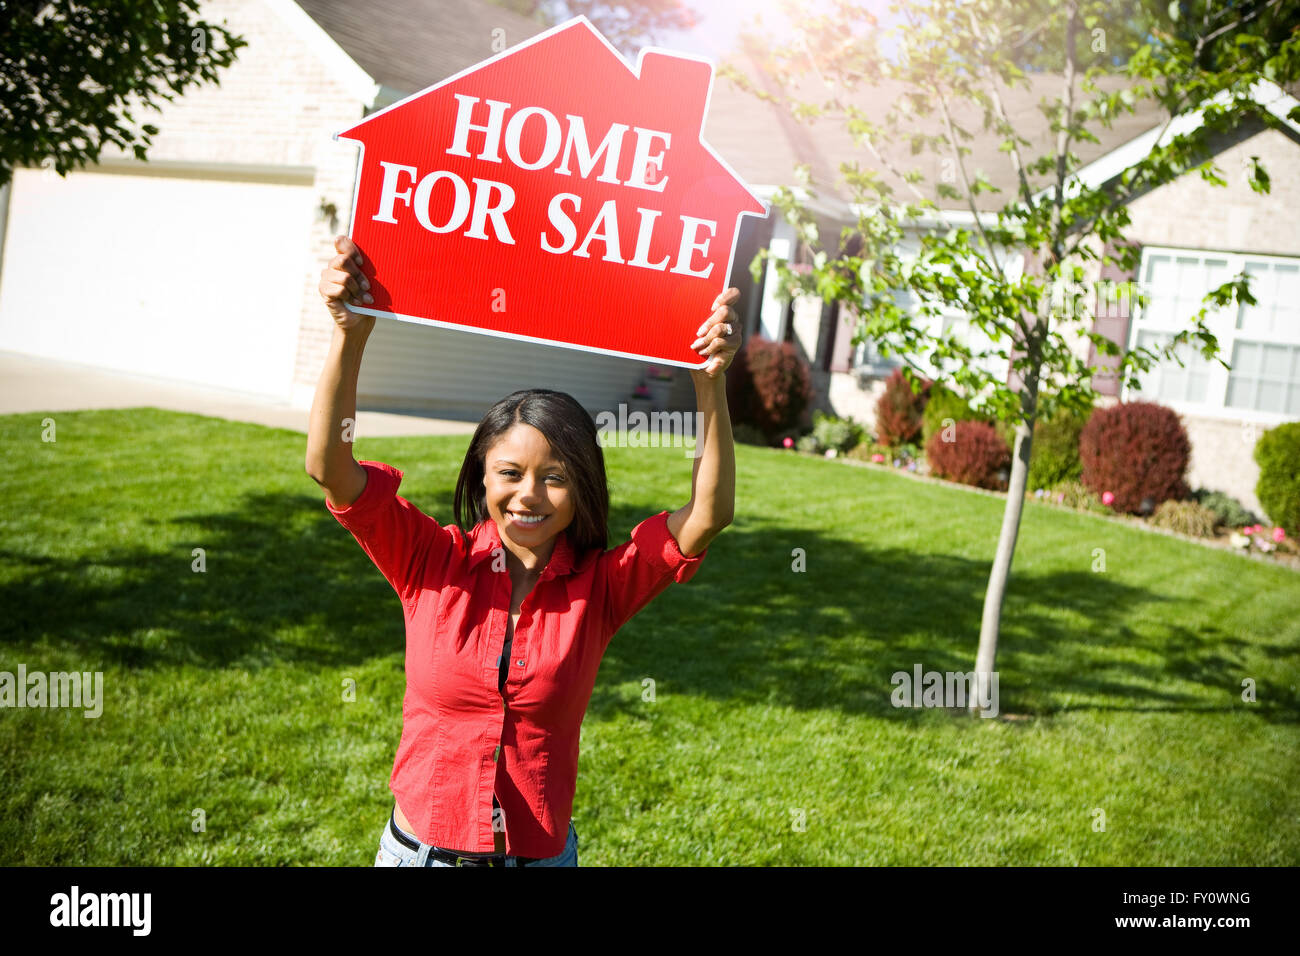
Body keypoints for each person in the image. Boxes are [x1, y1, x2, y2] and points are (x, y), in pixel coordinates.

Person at [306, 235, 740, 867]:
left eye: (556, 477)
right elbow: (330, 467)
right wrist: (350, 334)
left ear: (581, 487)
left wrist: (708, 385)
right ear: (482, 476)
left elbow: (708, 514)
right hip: (419, 856)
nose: (528, 496)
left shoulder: (602, 587)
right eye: (509, 473)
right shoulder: (428, 561)